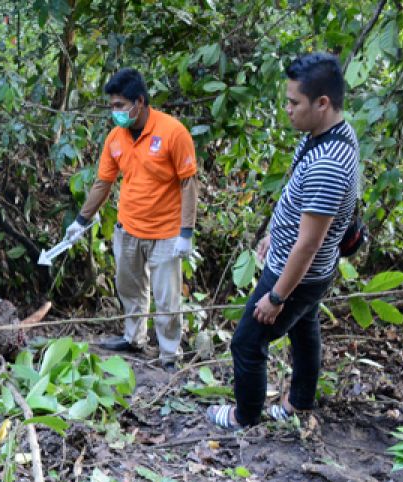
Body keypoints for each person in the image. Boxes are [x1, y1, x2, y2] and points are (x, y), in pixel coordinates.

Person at [209, 53, 360, 429]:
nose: (288, 109)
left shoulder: (329, 163)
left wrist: (276, 297)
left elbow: (308, 244)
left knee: (247, 342)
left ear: (322, 103)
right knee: (304, 328)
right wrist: (275, 232)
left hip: (298, 273)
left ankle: (245, 418)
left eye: (294, 102)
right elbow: (300, 201)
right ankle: (299, 403)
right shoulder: (327, 135)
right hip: (311, 270)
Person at [60, 68, 198, 370]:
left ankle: (168, 354)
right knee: (129, 289)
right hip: (128, 228)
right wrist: (81, 221)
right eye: (112, 106)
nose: (115, 112)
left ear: (140, 101)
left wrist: (186, 232)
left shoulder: (173, 132)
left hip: (165, 232)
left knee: (167, 301)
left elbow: (189, 183)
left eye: (120, 105)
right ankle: (133, 337)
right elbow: (103, 183)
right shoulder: (115, 138)